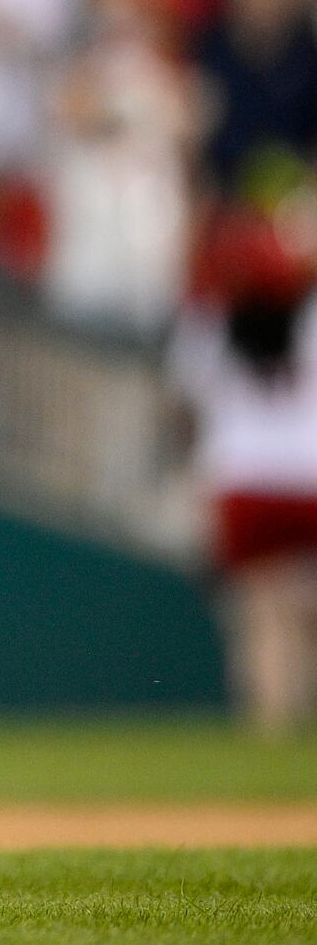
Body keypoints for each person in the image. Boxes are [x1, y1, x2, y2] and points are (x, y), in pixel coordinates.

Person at [170, 212, 317, 737]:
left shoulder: (209, 322)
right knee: (302, 609)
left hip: (242, 481)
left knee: (260, 615)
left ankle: (272, 727)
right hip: (307, 479)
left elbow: (186, 399)